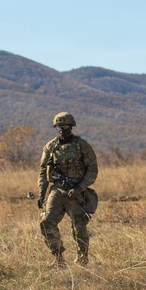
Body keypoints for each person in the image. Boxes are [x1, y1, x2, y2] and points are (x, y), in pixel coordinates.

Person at [37, 112, 98, 266]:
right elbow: (43, 172)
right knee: (46, 221)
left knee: (79, 225)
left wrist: (80, 187)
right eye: (59, 127)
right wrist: (41, 194)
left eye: (65, 126)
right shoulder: (50, 147)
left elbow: (92, 169)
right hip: (57, 190)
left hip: (76, 192)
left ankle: (82, 258)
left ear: (71, 126)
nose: (62, 129)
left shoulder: (82, 145)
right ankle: (58, 258)